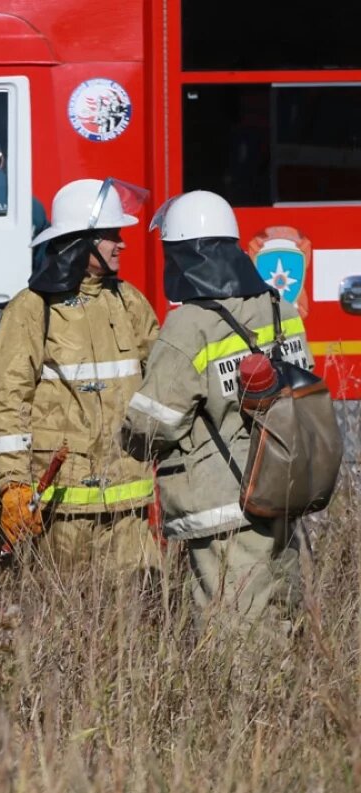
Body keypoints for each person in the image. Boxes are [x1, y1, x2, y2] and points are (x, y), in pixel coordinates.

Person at [121, 190, 311, 635]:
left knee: (235, 637)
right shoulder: (280, 310)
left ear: (183, 255)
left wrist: (129, 441)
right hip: (282, 492)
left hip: (224, 507)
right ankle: (289, 705)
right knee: (282, 623)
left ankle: (246, 708)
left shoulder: (189, 325)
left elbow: (153, 424)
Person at [0, 178, 160, 578]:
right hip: (62, 509)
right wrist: (13, 483)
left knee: (137, 616)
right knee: (65, 619)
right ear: (81, 241)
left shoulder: (128, 301)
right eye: (111, 235)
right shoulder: (32, 309)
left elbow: (162, 382)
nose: (123, 244)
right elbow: (7, 400)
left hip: (127, 503)